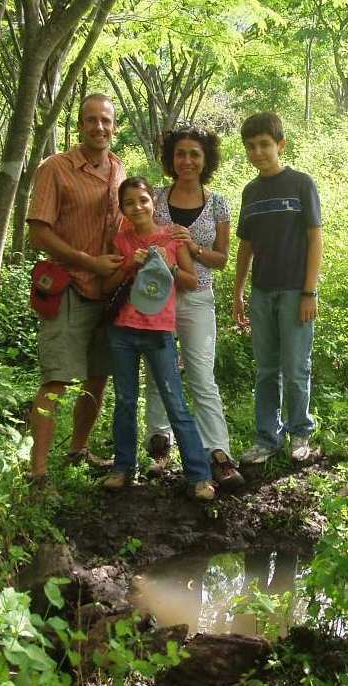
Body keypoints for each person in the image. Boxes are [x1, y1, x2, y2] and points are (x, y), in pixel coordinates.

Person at [27, 93, 126, 485]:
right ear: (79, 125)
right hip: (69, 285)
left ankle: (78, 450)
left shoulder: (118, 169)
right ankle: (38, 471)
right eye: (91, 120)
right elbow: (38, 232)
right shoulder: (55, 168)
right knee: (56, 378)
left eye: (105, 120)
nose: (98, 127)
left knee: (98, 375)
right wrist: (88, 261)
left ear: (114, 125)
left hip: (108, 293)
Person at [101, 176, 215, 501]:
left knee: (175, 403)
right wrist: (126, 267)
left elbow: (192, 282)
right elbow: (107, 288)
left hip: (159, 333)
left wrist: (170, 267)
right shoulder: (121, 240)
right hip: (122, 331)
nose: (137, 207)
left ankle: (199, 476)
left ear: (153, 201)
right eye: (129, 203)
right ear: (122, 208)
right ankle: (123, 468)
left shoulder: (173, 237)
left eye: (143, 200)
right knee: (124, 401)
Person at [144, 127, 244, 490]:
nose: (187, 161)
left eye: (195, 154)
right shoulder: (154, 199)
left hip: (198, 297)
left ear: (206, 160)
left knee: (202, 373)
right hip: (157, 297)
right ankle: (159, 443)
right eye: (181, 153)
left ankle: (217, 450)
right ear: (171, 158)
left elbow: (220, 259)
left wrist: (194, 247)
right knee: (158, 371)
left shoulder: (217, 203)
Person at [233, 112, 323, 464]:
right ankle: (266, 439)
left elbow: (316, 238)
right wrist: (239, 291)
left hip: (294, 292)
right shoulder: (250, 192)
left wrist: (309, 292)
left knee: (296, 366)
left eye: (264, 145)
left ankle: (300, 433)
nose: (258, 152)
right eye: (251, 146)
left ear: (280, 145)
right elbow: (245, 246)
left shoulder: (301, 183)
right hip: (261, 292)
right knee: (266, 369)